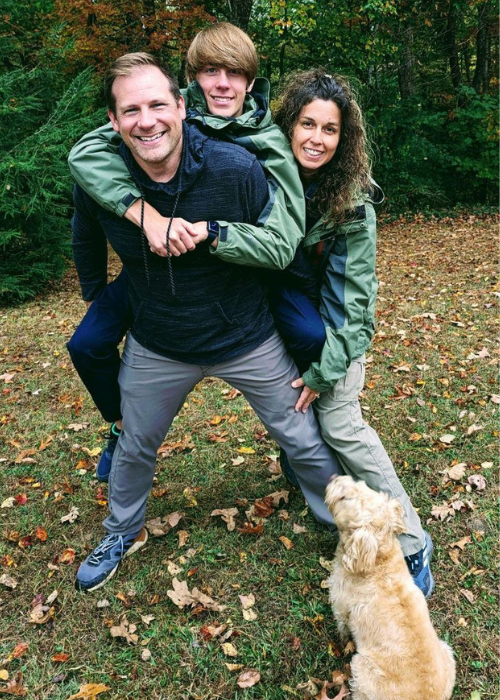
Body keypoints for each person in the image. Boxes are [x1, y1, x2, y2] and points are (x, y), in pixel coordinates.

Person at [71, 52, 343, 593]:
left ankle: (339, 519)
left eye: (156, 104)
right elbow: (86, 238)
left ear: (180, 106)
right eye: (130, 111)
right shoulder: (101, 179)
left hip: (245, 334)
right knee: (133, 443)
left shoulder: (236, 168)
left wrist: (212, 233)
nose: (145, 121)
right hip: (159, 340)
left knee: (302, 437)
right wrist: (98, 298)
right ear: (113, 122)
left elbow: (276, 250)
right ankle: (121, 531)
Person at [67, 23, 309, 482]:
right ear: (190, 82)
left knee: (310, 338)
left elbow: (281, 239)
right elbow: (84, 155)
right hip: (151, 269)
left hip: (247, 266)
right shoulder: (166, 115)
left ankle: (300, 443)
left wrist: (214, 233)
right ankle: (122, 427)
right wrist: (105, 275)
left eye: (234, 73)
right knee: (88, 342)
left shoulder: (265, 139)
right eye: (209, 70)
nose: (222, 83)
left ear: (250, 82)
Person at [272, 69, 434, 597]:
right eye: (307, 123)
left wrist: (324, 371)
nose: (317, 138)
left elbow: (354, 308)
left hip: (336, 338)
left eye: (330, 129)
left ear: (345, 139)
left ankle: (410, 540)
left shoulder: (351, 204)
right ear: (287, 125)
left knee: (340, 423)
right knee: (299, 421)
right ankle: (313, 487)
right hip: (285, 330)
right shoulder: (266, 179)